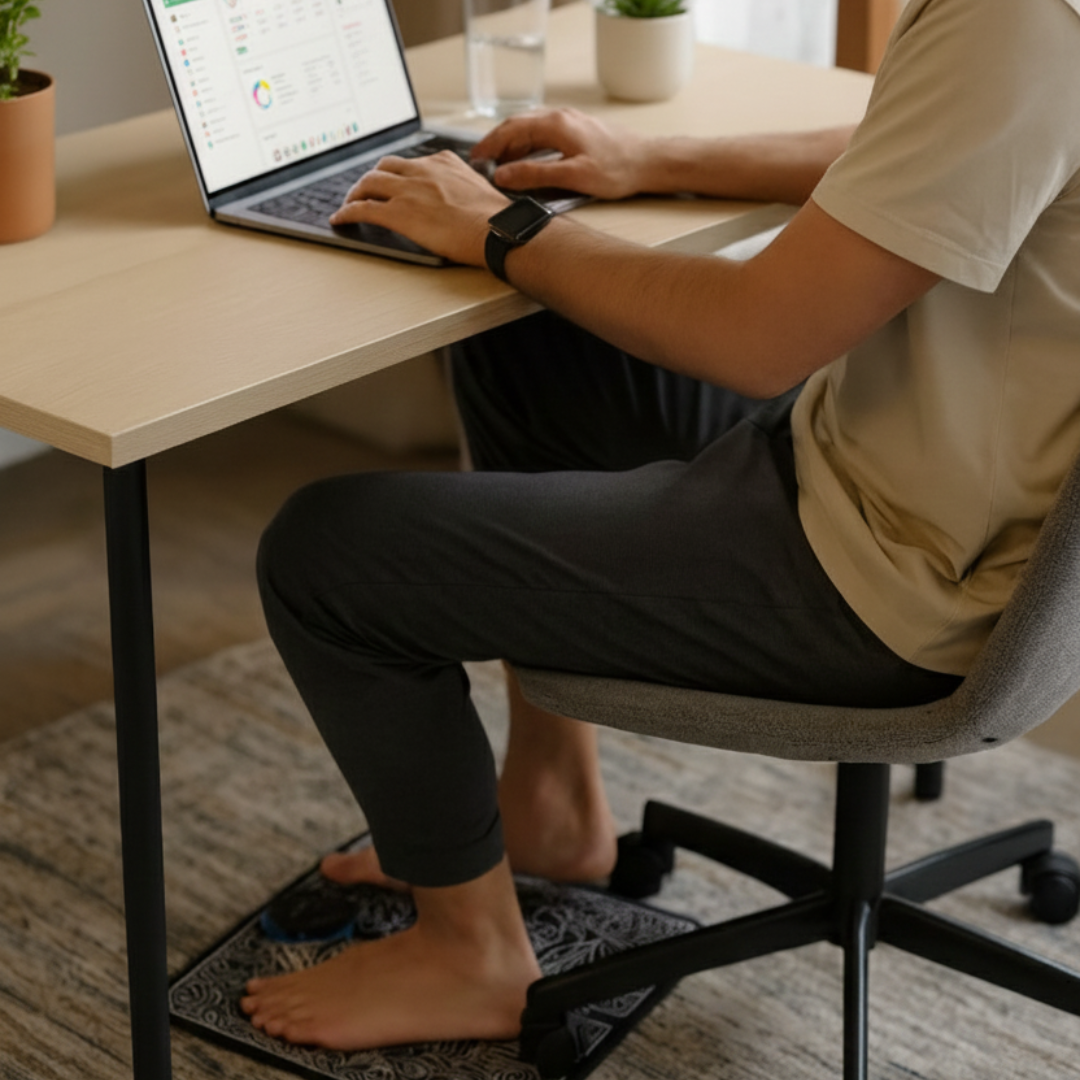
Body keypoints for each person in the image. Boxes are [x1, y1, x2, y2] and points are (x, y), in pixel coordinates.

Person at [241, 0, 1080, 1053]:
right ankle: (547, 799)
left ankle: (471, 957)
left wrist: (504, 228)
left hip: (881, 571)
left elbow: (761, 336)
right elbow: (917, 151)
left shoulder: (1017, 17)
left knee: (328, 555)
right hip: (918, 488)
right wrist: (645, 160)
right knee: (545, 337)